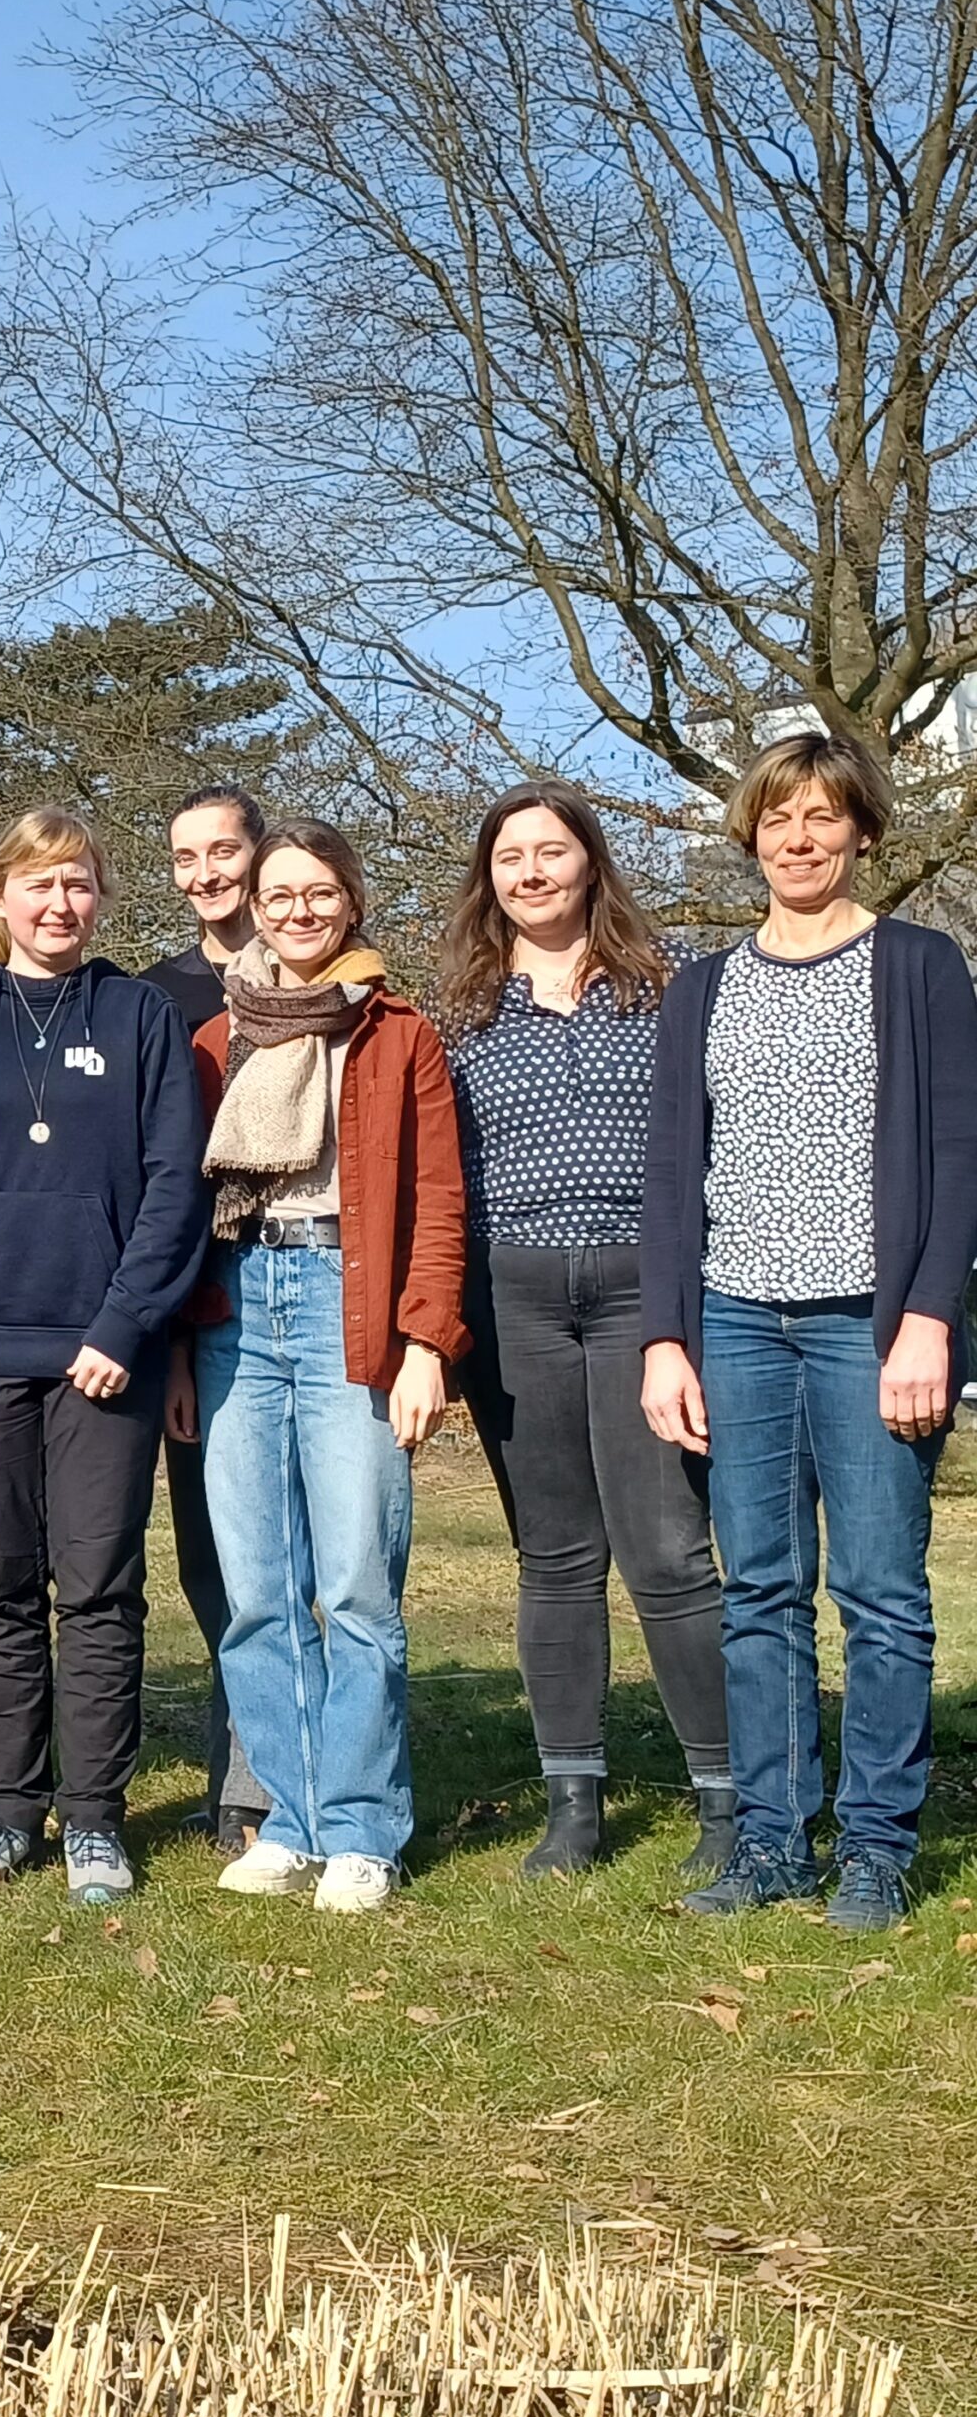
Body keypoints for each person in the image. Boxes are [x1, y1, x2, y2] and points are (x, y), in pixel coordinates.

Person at [642, 732, 977, 1932]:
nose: (798, 838)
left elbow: (954, 1156)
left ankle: (877, 1845)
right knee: (761, 1590)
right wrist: (664, 1339)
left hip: (868, 1326)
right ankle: (774, 1842)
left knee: (880, 1592)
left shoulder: (920, 966)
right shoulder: (703, 987)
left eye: (823, 818)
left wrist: (928, 1318)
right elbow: (672, 1173)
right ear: (749, 834)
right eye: (777, 818)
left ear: (861, 832)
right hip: (735, 1318)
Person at [0, 809, 208, 1903]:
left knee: (101, 1589)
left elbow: (175, 1186)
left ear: (99, 896)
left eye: (76, 884)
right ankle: (6, 1809)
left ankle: (95, 1820)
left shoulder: (140, 1017)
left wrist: (123, 1330)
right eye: (36, 885)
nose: (57, 904)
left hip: (98, 1362)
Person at [431, 784, 732, 1881]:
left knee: (667, 1552)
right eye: (509, 856)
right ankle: (573, 1802)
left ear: (589, 863)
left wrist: (680, 1314)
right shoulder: (456, 1008)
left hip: (641, 1295)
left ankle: (724, 1799)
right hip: (513, 1302)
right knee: (553, 1557)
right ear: (489, 879)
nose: (530, 872)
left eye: (550, 851)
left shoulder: (665, 987)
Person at [174, 819, 465, 1914]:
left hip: (352, 1302)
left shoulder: (397, 1034)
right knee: (255, 1590)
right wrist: (176, 1352)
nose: (297, 911)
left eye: (318, 893)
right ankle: (288, 1817)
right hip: (235, 1309)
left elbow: (437, 1198)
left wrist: (426, 1341)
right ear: (253, 905)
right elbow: (181, 1209)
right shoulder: (213, 1041)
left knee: (353, 1584)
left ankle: (362, 1827)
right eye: (278, 894)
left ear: (350, 904)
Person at [141, 784, 270, 1853]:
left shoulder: (326, 972)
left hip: (308, 1300)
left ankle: (278, 1774)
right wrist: (173, 1340)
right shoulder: (158, 998)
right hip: (199, 1306)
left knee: (300, 1555)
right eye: (186, 857)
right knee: (212, 1556)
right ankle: (243, 1769)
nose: (204, 872)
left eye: (221, 850)